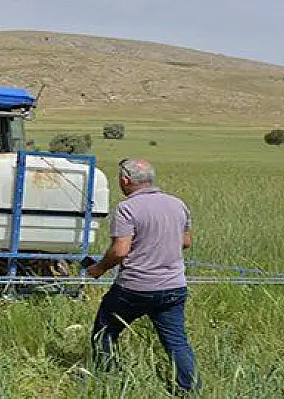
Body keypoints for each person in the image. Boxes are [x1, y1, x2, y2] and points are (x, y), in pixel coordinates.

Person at [83, 158, 200, 393]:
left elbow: (120, 251)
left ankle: (109, 381)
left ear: (125, 180)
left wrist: (98, 269)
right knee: (176, 342)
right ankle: (190, 390)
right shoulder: (178, 204)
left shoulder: (127, 208)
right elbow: (186, 242)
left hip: (134, 288)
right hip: (174, 287)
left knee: (105, 332)